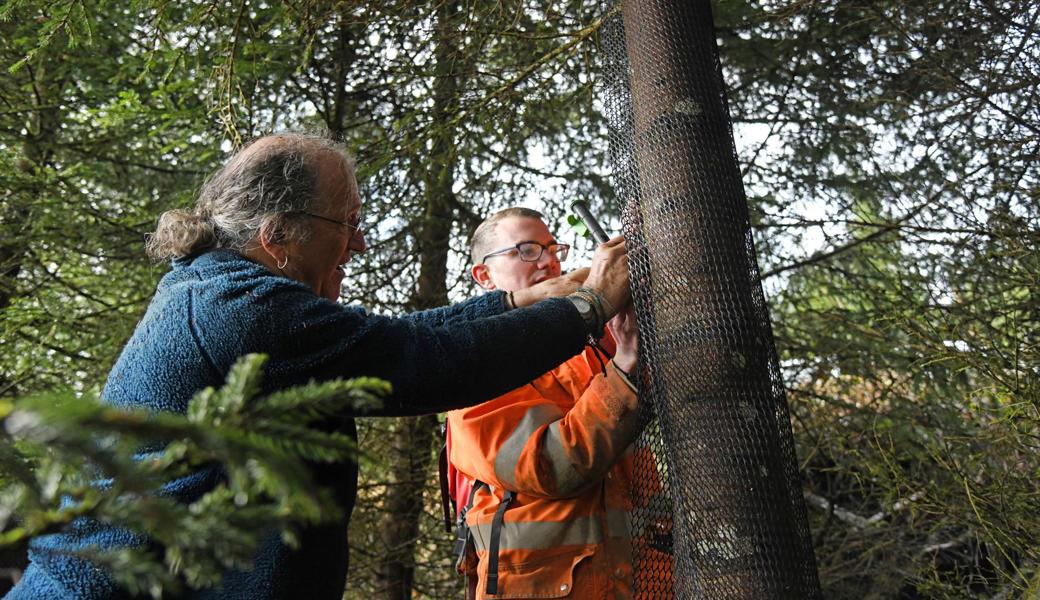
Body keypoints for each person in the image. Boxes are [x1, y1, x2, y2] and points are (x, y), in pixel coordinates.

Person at [6, 133, 631, 600]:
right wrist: (591, 304)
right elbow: (426, 361)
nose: (357, 244)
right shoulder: (240, 309)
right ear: (279, 233)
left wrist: (525, 299)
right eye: (348, 224)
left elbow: (395, 335)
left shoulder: (224, 288)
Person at [446, 207, 643, 599]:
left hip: (643, 584)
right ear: (484, 276)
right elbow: (552, 465)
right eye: (527, 250)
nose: (549, 261)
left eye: (554, 249)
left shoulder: (590, 347)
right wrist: (625, 362)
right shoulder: (474, 366)